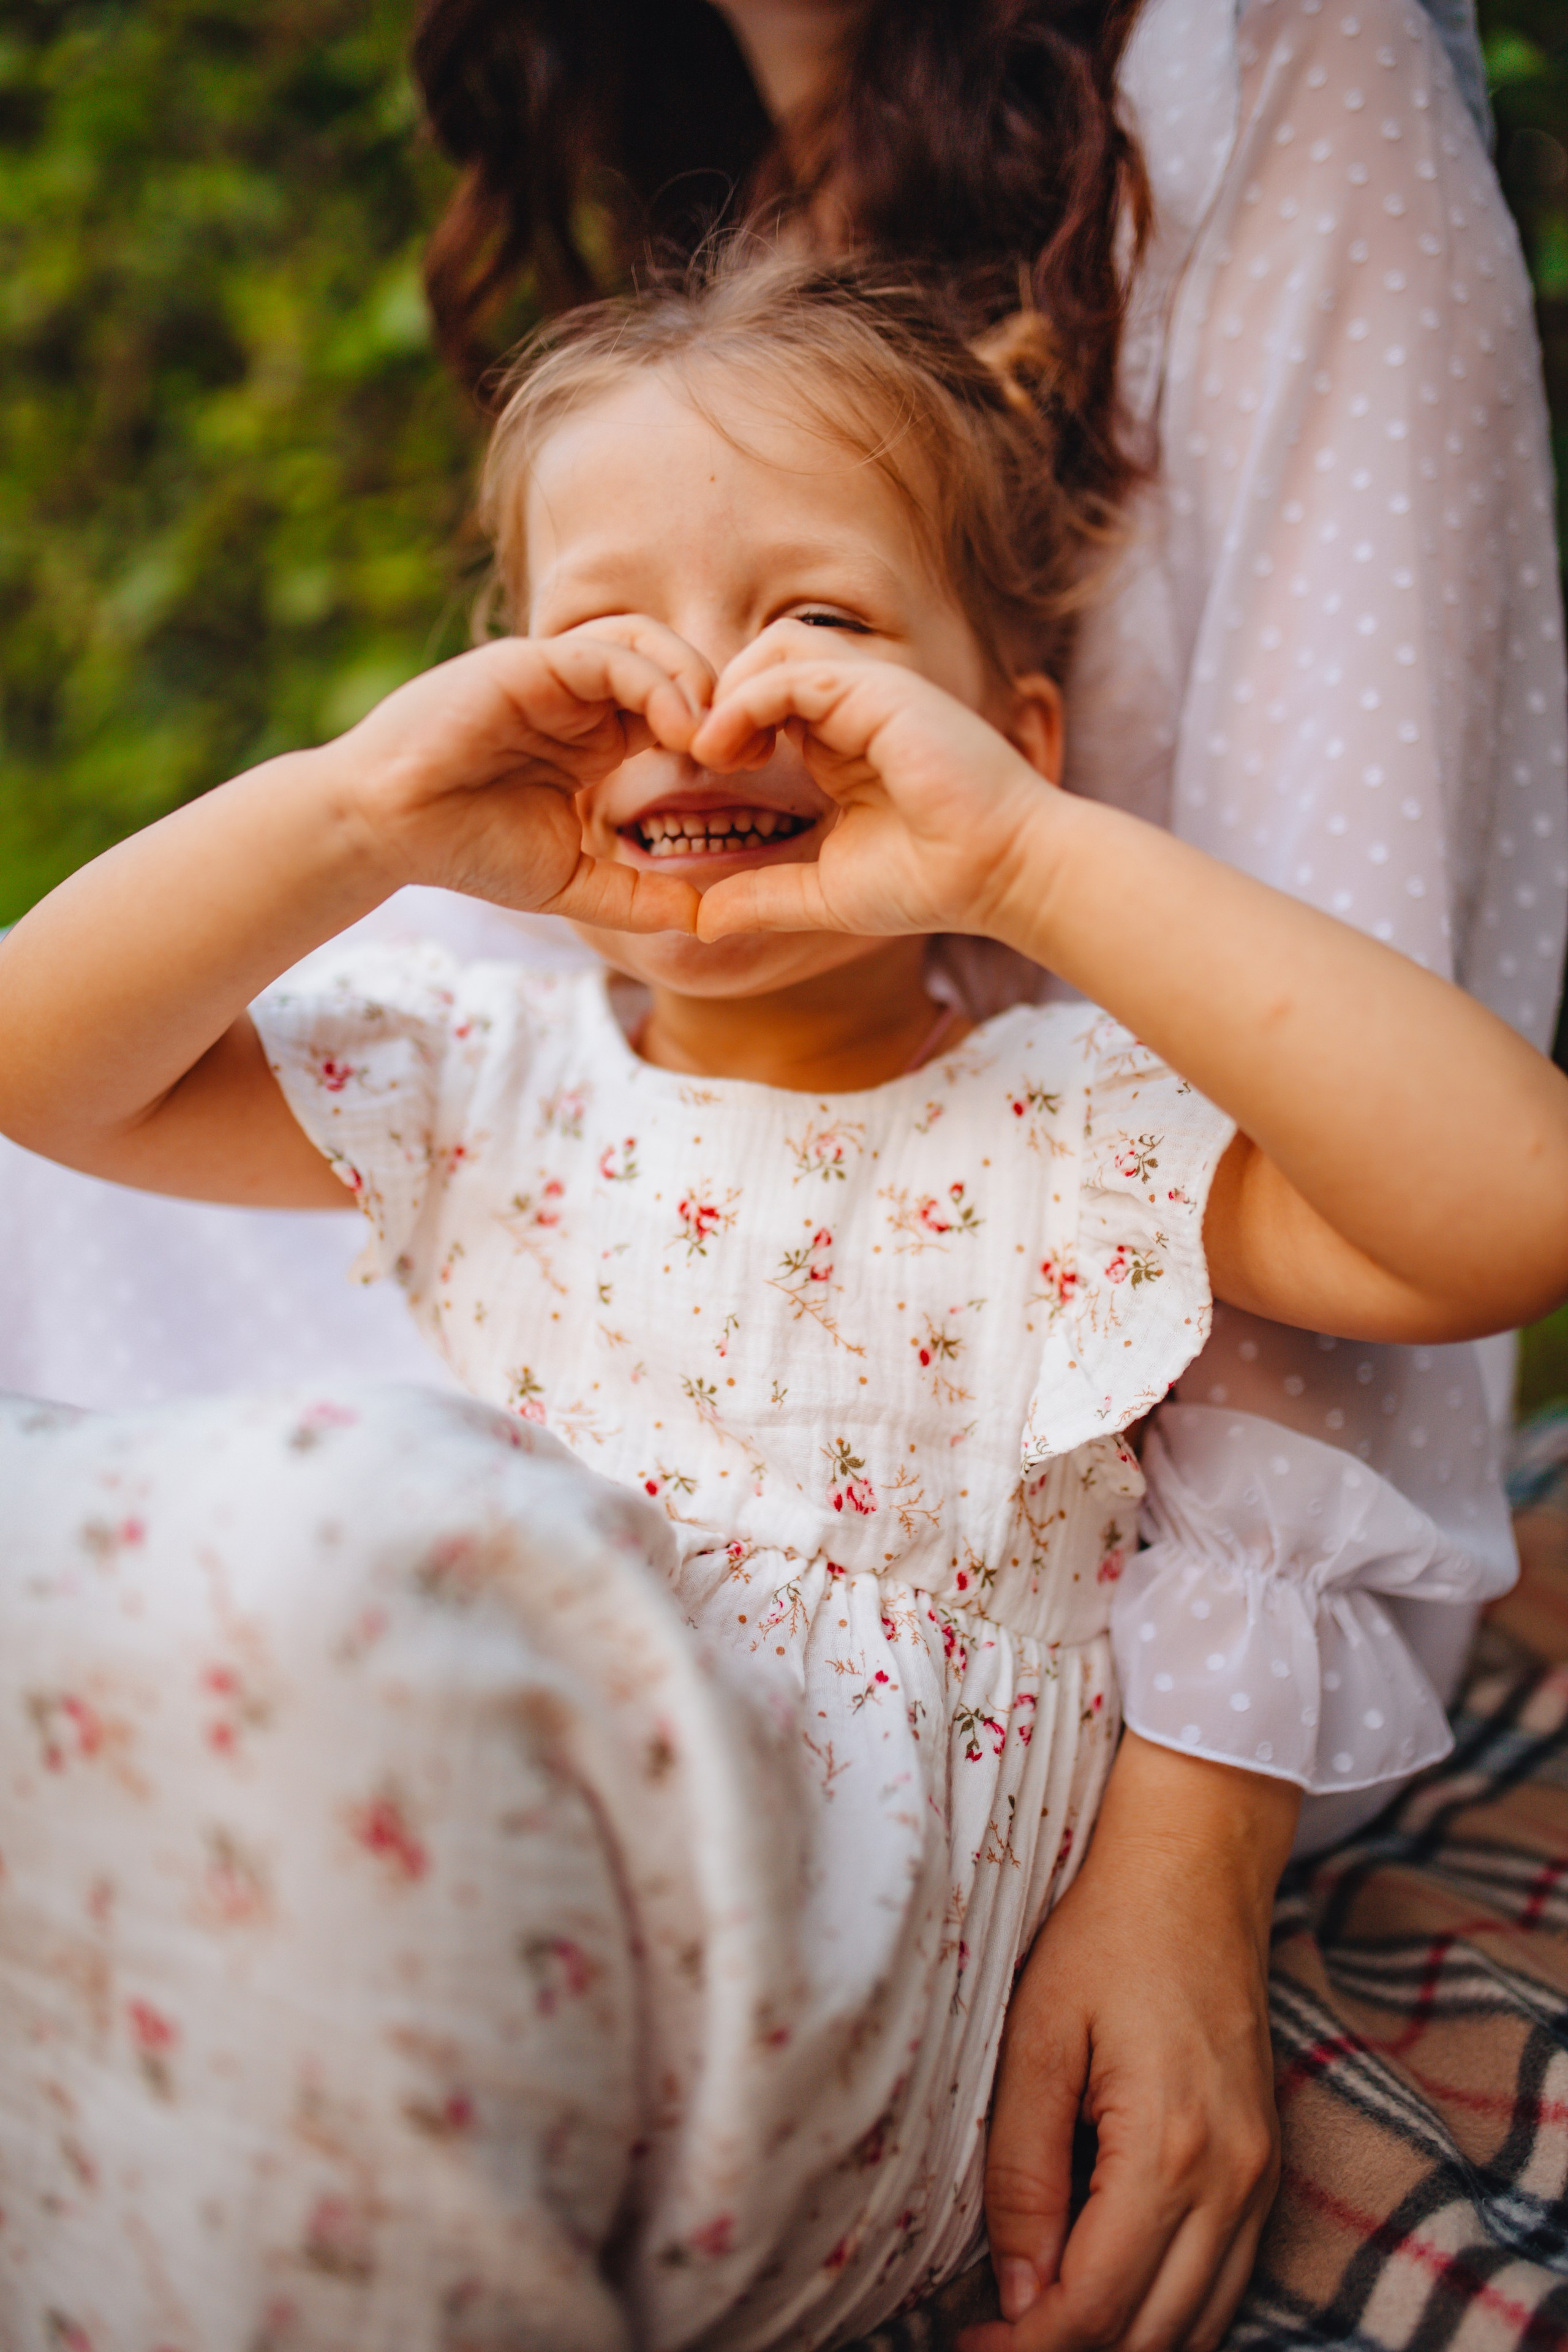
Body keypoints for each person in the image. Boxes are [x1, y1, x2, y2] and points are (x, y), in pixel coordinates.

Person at [1, 255, 1566, 2352]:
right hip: (470, 1878)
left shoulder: (1071, 1129)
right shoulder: (482, 1074)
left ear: (1011, 729)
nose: (710, 701)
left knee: (342, 1534)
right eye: (604, 642)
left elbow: (1515, 1207)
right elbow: (36, 1061)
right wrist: (363, 810)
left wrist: (1027, 860)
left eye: (818, 622)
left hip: (827, 1997)